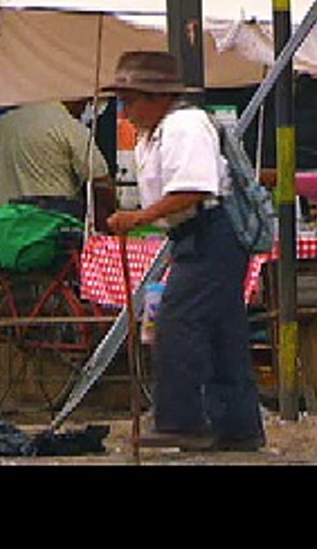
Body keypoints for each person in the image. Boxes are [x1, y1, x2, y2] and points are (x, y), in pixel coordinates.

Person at [103, 51, 265, 452]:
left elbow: (195, 188)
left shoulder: (183, 125)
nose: (126, 111)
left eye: (131, 101)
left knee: (178, 324)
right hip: (196, 234)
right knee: (221, 329)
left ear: (157, 98)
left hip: (215, 231)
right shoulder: (153, 135)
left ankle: (183, 420)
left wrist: (140, 218)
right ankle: (237, 426)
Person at [0, 99, 116, 230]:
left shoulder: (3, 123)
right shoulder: (68, 125)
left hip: (1, 226)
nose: (85, 110)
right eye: (85, 104)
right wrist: (111, 218)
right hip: (47, 231)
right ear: (76, 100)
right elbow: (101, 182)